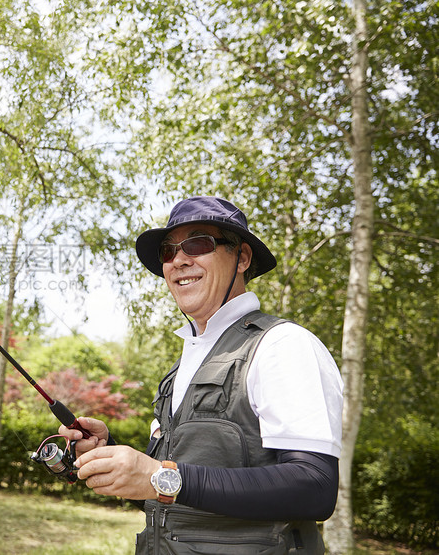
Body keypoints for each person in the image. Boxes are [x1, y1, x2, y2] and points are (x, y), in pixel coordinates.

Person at [59, 196, 343, 554]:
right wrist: (113, 455)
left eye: (198, 243)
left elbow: (314, 488)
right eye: (167, 251)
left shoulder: (283, 345)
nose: (179, 259)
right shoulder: (182, 367)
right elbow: (172, 495)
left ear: (242, 257)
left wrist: (158, 476)